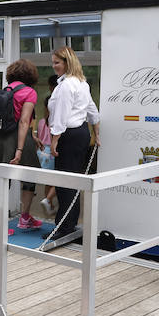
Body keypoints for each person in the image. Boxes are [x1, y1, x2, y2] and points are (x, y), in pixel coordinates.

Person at [0, 59, 43, 236]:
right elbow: (23, 121)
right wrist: (20, 149)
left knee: (2, 181)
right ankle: (25, 218)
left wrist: (33, 137)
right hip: (17, 140)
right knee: (30, 177)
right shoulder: (29, 92)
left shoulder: (6, 90)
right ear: (30, 75)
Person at [43, 46, 100, 240]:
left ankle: (63, 227)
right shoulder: (82, 83)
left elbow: (61, 114)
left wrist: (54, 140)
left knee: (64, 182)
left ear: (67, 62)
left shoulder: (67, 85)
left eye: (57, 63)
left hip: (68, 134)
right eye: (53, 63)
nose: (54, 67)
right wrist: (96, 132)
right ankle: (70, 223)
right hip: (81, 133)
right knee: (73, 180)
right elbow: (92, 110)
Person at [36, 96, 57, 216]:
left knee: (47, 180)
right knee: (58, 180)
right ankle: (48, 200)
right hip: (51, 153)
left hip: (41, 151)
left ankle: (49, 205)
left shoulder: (41, 122)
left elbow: (39, 137)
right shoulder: (55, 123)